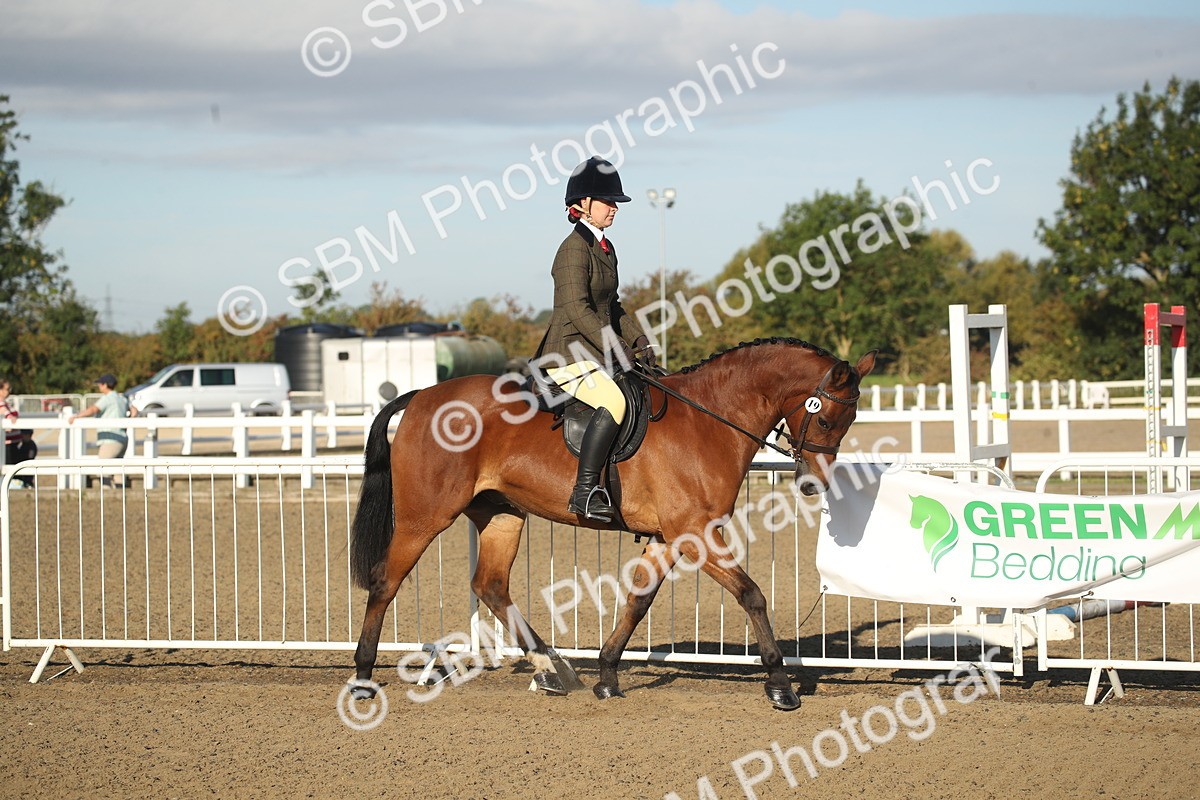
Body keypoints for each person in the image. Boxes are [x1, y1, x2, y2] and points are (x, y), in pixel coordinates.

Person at [532, 156, 657, 522]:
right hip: (567, 355)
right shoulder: (572, 249)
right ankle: (585, 491)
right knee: (614, 401)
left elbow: (611, 305)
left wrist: (639, 341)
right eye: (608, 201)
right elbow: (576, 308)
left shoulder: (605, 248)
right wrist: (614, 345)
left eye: (615, 202)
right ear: (583, 205)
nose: (615, 208)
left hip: (594, 351)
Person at [70, 373, 138, 488]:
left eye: (100, 384)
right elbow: (134, 411)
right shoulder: (121, 398)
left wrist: (77, 416)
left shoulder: (108, 398)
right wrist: (128, 421)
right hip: (122, 438)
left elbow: (94, 409)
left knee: (103, 469)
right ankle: (121, 496)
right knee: (117, 469)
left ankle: (106, 495)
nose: (99, 386)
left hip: (110, 439)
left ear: (106, 385)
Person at [0, 377, 37, 489]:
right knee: (12, 467)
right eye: (7, 389)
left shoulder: (6, 403)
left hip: (15, 443)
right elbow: (5, 413)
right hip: (7, 444)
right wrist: (10, 417)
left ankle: (23, 483)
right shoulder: (2, 404)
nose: (9, 391)